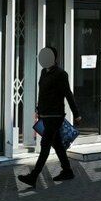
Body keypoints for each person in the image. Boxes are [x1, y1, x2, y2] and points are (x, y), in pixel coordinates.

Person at [18, 46, 80, 188]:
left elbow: (68, 94)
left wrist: (76, 114)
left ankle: (33, 176)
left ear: (54, 58)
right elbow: (42, 93)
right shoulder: (43, 72)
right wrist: (38, 110)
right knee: (57, 144)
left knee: (45, 145)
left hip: (55, 115)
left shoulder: (61, 74)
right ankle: (67, 171)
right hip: (45, 114)